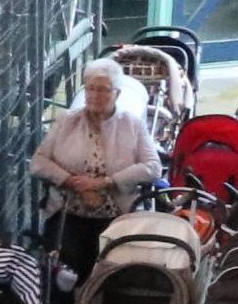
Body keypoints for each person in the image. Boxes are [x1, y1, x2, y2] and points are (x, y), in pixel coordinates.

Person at [31, 61, 160, 278]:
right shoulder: (66, 121)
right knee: (66, 270)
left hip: (116, 215)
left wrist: (106, 182)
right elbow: (38, 163)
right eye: (90, 88)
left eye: (103, 89)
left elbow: (153, 167)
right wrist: (72, 182)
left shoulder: (132, 124)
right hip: (67, 211)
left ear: (117, 94)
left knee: (111, 269)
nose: (95, 95)